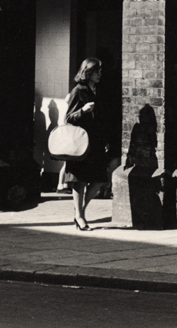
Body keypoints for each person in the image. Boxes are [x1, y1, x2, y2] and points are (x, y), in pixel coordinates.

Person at [64, 57, 108, 231]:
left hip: (96, 141)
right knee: (79, 180)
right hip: (81, 141)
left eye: (100, 71)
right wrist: (82, 111)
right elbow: (68, 118)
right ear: (88, 72)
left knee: (98, 180)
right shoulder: (78, 91)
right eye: (97, 71)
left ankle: (80, 211)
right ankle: (80, 216)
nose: (99, 75)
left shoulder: (98, 90)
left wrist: (105, 140)